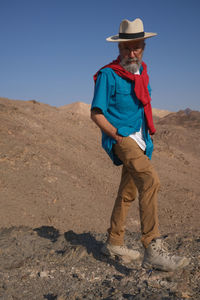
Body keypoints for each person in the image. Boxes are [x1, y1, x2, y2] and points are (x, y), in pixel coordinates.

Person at [91, 18, 190, 271]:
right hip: (122, 139)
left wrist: (146, 135)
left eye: (136, 47)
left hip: (141, 139)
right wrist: (117, 136)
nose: (131, 52)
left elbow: (143, 104)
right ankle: (152, 247)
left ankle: (114, 241)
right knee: (150, 180)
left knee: (129, 191)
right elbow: (97, 113)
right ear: (119, 49)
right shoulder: (108, 74)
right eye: (126, 48)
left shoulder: (142, 71)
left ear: (143, 46)